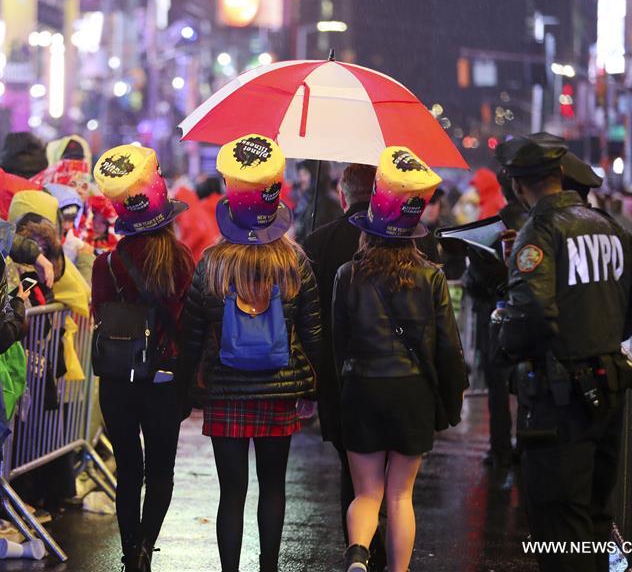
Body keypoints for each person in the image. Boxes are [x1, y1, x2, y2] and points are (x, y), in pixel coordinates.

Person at [495, 136, 632, 572]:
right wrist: (608, 327)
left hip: (559, 404)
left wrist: (506, 335)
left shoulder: (538, 232)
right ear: (559, 176)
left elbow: (533, 313)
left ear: (519, 186)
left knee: (559, 530)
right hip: (606, 392)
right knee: (595, 521)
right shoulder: (607, 226)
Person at [181, 135, 322, 572]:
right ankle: (270, 568)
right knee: (274, 488)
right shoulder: (294, 262)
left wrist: (188, 387)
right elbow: (313, 333)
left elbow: (192, 330)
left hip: (225, 391)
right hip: (278, 393)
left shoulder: (213, 262)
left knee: (231, 494)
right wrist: (317, 385)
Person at [333, 147, 468, 572]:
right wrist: (451, 400)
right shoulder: (431, 276)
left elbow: (340, 343)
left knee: (366, 494)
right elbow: (448, 347)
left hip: (362, 389)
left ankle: (358, 555)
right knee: (400, 496)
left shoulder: (348, 274)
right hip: (412, 392)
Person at [90, 145, 194, 572]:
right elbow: (188, 324)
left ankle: (128, 547)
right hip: (164, 379)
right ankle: (145, 548)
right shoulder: (181, 261)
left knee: (128, 469)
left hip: (117, 380)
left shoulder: (106, 265)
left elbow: (100, 315)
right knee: (160, 471)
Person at [302, 162, 388, 572]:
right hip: (392, 371)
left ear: (343, 194)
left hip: (336, 375)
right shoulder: (401, 241)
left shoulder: (318, 242)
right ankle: (381, 543)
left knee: (349, 467)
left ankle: (357, 547)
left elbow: (307, 314)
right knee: (391, 469)